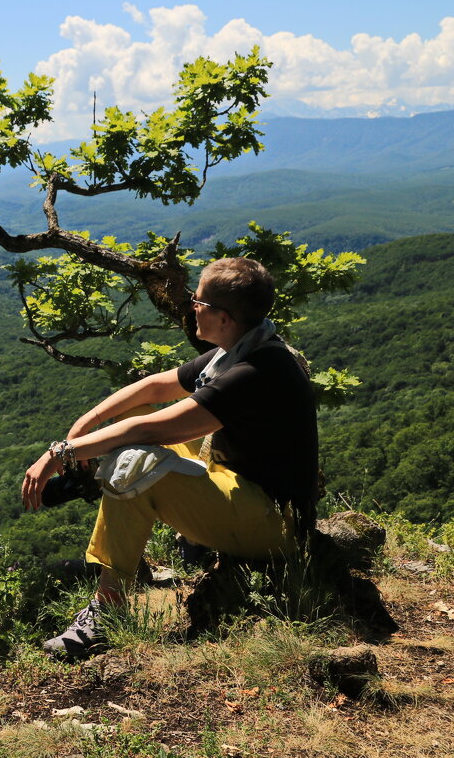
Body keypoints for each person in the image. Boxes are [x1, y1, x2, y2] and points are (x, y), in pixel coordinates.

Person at [21, 257, 319, 658]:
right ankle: (92, 477)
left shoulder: (254, 370)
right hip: (244, 488)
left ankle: (107, 612)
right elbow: (155, 386)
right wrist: (85, 424)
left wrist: (60, 452)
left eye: (197, 301)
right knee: (131, 419)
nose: (191, 306)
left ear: (224, 317)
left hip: (273, 526)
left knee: (133, 464)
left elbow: (153, 430)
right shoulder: (244, 347)